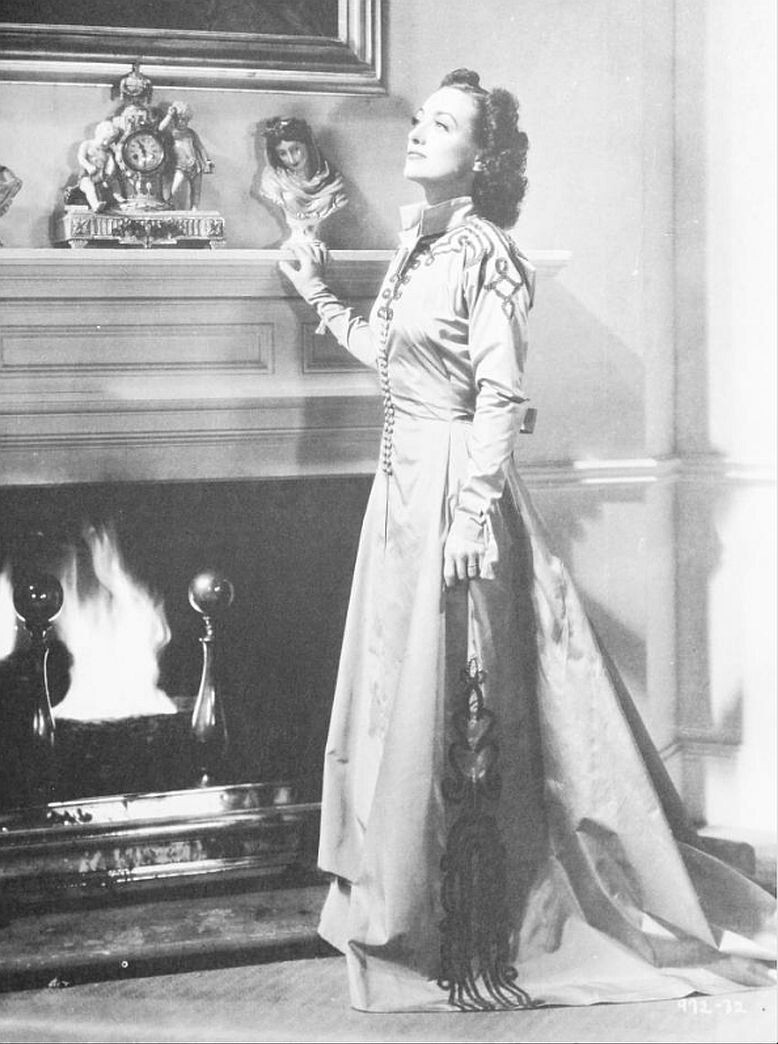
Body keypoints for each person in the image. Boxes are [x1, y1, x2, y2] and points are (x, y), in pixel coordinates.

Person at [279, 68, 776, 1012]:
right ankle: (404, 892)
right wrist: (317, 295)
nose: (419, 131)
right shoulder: (419, 245)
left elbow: (499, 394)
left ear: (483, 158)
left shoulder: (489, 255)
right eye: (421, 118)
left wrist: (472, 516)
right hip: (399, 496)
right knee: (400, 695)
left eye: (444, 124)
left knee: (466, 704)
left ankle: (484, 915)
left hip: (455, 499)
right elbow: (394, 362)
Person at [260, 116, 347, 242]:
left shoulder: (331, 178)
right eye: (283, 153)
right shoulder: (273, 180)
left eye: (295, 149)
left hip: (325, 242)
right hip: (292, 242)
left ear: (307, 145)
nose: (291, 159)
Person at [158, 102, 214, 210]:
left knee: (196, 191)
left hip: (195, 165)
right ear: (174, 120)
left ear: (188, 120)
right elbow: (161, 128)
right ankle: (170, 206)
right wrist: (169, 115)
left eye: (184, 120)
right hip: (181, 165)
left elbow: (200, 147)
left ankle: (194, 209)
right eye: (178, 119)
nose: (181, 122)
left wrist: (207, 160)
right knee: (174, 189)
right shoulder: (172, 132)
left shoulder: (191, 133)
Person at [76, 121, 124, 212]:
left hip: (100, 179)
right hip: (87, 177)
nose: (105, 143)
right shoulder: (87, 144)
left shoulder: (108, 152)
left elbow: (111, 165)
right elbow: (81, 158)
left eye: (109, 142)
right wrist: (88, 166)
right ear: (97, 134)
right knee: (89, 187)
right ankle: (95, 205)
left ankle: (118, 196)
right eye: (104, 139)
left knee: (115, 182)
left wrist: (109, 176)